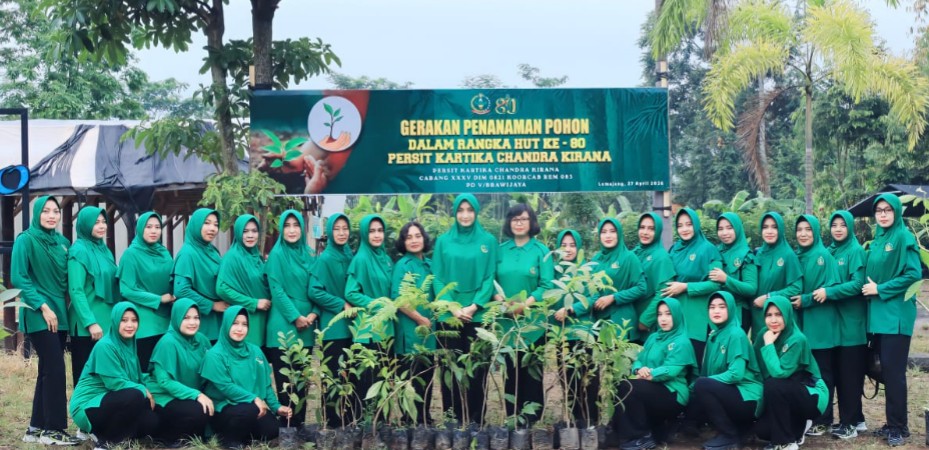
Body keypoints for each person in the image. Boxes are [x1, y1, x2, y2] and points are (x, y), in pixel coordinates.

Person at [12, 196, 82, 446]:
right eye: (46, 211)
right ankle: (54, 430)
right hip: (38, 312)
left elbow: (68, 280)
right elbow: (19, 277)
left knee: (47, 370)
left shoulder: (63, 243)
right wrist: (43, 306)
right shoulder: (26, 240)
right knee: (55, 369)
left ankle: (35, 428)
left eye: (55, 211)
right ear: (37, 213)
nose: (52, 216)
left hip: (59, 314)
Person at [566, 218, 646, 426]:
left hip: (622, 324)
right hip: (600, 326)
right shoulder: (596, 260)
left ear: (619, 234)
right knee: (600, 377)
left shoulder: (629, 257)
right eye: (604, 232)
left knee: (621, 377)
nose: (608, 235)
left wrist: (614, 297)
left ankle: (626, 427)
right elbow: (592, 293)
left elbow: (641, 287)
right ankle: (603, 423)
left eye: (612, 231)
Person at [862, 194, 922, 446]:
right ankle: (892, 423)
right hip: (878, 316)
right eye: (879, 210)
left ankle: (899, 427)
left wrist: (880, 289)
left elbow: (913, 275)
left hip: (896, 316)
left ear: (897, 212)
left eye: (888, 210)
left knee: (894, 373)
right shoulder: (878, 240)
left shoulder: (904, 237)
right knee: (883, 370)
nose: (883, 214)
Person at [432, 194, 497, 425]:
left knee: (477, 368)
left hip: (478, 315)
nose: (465, 215)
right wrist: (452, 307)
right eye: (461, 210)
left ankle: (476, 420)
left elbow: (490, 277)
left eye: (470, 210)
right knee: (450, 368)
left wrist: (474, 305)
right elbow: (437, 277)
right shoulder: (443, 241)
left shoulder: (488, 241)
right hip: (448, 316)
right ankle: (452, 419)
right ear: (454, 213)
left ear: (476, 212)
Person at [494, 203, 554, 427]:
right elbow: (491, 282)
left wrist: (524, 305)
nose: (519, 223)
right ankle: (513, 418)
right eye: (515, 219)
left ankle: (532, 421)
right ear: (509, 222)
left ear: (532, 223)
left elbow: (546, 285)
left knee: (532, 373)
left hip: (533, 324)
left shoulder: (541, 251)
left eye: (524, 219)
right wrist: (503, 303)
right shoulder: (500, 250)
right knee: (510, 372)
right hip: (506, 323)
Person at [69, 302, 159, 450]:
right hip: (87, 405)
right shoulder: (105, 345)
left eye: (134, 320)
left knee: (150, 421)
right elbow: (115, 383)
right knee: (136, 395)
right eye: (124, 320)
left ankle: (101, 433)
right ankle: (105, 443)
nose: (129, 325)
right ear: (116, 321)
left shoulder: (129, 345)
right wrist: (144, 390)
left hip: (110, 400)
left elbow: (135, 378)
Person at [201, 307, 293, 448]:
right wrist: (254, 398)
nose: (240, 329)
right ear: (226, 325)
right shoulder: (214, 354)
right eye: (235, 323)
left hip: (251, 407)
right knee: (248, 411)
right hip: (224, 408)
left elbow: (265, 383)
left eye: (244, 324)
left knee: (272, 429)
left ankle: (242, 435)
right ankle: (228, 440)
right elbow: (226, 387)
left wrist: (276, 407)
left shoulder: (254, 350)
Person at [615, 298, 697, 450]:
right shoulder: (653, 337)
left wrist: (649, 373)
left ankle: (641, 437)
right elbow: (639, 360)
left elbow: (671, 370)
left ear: (677, 315)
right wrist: (638, 370)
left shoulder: (682, 341)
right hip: (650, 386)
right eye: (660, 314)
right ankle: (628, 435)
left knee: (629, 387)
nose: (663, 319)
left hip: (672, 392)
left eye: (668, 314)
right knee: (623, 386)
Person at [686, 292, 763, 450]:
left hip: (748, 396)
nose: (716, 311)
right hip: (732, 393)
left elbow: (736, 374)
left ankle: (728, 435)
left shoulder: (736, 334)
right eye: (712, 307)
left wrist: (703, 383)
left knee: (703, 385)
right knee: (697, 388)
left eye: (722, 307)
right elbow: (706, 374)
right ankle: (741, 430)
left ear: (731, 309)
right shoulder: (714, 336)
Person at [265, 209, 318, 430]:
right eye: (287, 226)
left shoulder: (310, 254)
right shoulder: (277, 255)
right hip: (283, 325)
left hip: (307, 325)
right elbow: (276, 291)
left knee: (302, 381)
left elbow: (318, 287)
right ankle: (288, 429)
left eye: (296, 225)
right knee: (286, 382)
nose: (292, 230)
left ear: (303, 228)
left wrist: (313, 314)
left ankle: (301, 426)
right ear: (281, 229)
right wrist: (295, 316)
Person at [754, 296, 829, 450]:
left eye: (778, 314)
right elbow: (755, 363)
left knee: (774, 384)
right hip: (785, 392)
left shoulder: (797, 339)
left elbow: (779, 373)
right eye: (769, 315)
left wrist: (768, 345)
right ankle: (799, 427)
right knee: (762, 431)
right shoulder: (764, 333)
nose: (773, 320)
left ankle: (785, 443)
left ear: (787, 314)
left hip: (811, 395)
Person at [790, 215, 840, 437]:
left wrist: (806, 299)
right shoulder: (796, 256)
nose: (803, 234)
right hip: (800, 323)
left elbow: (831, 288)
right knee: (804, 372)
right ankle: (807, 416)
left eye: (808, 229)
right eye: (799, 229)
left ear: (816, 232)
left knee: (822, 372)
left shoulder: (824, 256)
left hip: (820, 323)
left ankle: (824, 419)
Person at [819, 210, 868, 439]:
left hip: (852, 325)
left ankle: (849, 424)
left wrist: (829, 292)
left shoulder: (855, 251)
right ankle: (857, 419)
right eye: (834, 225)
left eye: (842, 225)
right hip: (834, 325)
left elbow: (857, 284)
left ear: (850, 227)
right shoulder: (829, 252)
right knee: (839, 374)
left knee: (850, 377)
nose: (838, 229)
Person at [146, 299, 213, 446]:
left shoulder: (202, 340)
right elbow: (164, 381)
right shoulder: (167, 342)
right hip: (164, 394)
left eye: (196, 317)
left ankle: (192, 436)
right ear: (176, 318)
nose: (192, 322)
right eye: (186, 318)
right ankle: (167, 438)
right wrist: (197, 395)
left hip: (189, 393)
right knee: (197, 411)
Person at [308, 213, 354, 428]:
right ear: (329, 232)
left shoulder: (350, 255)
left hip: (352, 326)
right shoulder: (325, 258)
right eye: (337, 229)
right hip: (334, 326)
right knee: (333, 376)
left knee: (349, 376)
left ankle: (349, 420)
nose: (342, 233)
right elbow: (314, 291)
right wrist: (341, 304)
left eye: (345, 228)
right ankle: (333, 423)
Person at [391, 221, 437, 425]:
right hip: (410, 331)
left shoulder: (430, 264)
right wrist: (420, 318)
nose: (414, 240)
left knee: (427, 376)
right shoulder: (402, 265)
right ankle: (409, 419)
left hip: (429, 333)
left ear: (424, 238)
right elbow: (398, 298)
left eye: (417, 236)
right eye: (408, 237)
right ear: (403, 242)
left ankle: (424, 417)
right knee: (410, 378)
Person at [67, 206, 119, 388]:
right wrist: (90, 322)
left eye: (104, 222)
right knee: (85, 377)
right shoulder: (78, 250)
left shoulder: (104, 250)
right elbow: (76, 289)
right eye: (96, 222)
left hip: (106, 322)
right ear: (85, 224)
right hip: (87, 325)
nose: (102, 226)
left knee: (105, 376)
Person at [662, 208, 723, 362]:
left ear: (696, 225)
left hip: (697, 315)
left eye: (689, 224)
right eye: (680, 225)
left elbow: (715, 285)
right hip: (676, 313)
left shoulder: (709, 249)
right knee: (676, 361)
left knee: (695, 360)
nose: (684, 229)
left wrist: (686, 287)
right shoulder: (674, 249)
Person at [118, 211, 175, 372]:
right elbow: (127, 290)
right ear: (140, 229)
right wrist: (158, 299)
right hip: (145, 321)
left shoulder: (164, 252)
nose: (153, 231)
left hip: (167, 320)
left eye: (157, 227)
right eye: (148, 227)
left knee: (165, 371)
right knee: (145, 371)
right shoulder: (131, 254)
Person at [552, 229, 598, 426]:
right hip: (561, 334)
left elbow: (594, 298)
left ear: (579, 248)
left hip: (583, 333)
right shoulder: (554, 272)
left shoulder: (586, 271)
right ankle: (573, 418)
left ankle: (590, 419)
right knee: (567, 379)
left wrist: (571, 309)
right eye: (564, 245)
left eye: (572, 245)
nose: (568, 249)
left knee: (588, 379)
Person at [216, 215, 271, 348]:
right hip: (245, 319)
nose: (250, 235)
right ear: (238, 233)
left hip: (263, 317)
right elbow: (222, 288)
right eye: (245, 231)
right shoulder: (232, 257)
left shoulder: (257, 257)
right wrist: (253, 303)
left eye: (254, 231)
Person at [173, 208, 226, 342]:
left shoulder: (212, 251)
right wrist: (212, 305)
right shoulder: (187, 253)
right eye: (207, 223)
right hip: (200, 324)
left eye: (216, 224)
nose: (212, 228)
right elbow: (181, 290)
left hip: (218, 322)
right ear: (196, 225)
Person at [751, 212, 802, 338]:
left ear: (781, 230)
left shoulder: (788, 255)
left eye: (774, 227)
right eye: (765, 227)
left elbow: (796, 288)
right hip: (759, 316)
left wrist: (769, 297)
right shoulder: (758, 254)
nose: (769, 231)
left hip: (780, 317)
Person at [709, 212, 757, 336]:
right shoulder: (715, 252)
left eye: (729, 228)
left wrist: (726, 279)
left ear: (737, 228)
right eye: (720, 229)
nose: (725, 233)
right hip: (716, 311)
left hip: (738, 311)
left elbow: (751, 288)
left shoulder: (746, 255)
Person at [632, 212, 677, 335]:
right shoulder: (635, 253)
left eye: (651, 229)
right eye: (642, 227)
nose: (645, 232)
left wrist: (645, 321)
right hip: (630, 318)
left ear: (658, 232)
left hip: (647, 324)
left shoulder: (661, 257)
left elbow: (663, 293)